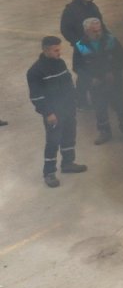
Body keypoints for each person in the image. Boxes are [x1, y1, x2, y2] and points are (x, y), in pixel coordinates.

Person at [28, 36, 85, 187]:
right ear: (46, 50)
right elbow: (36, 96)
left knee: (69, 136)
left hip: (68, 108)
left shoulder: (60, 63)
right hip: (53, 112)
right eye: (56, 50)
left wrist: (75, 100)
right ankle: (49, 173)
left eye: (60, 49)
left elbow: (68, 83)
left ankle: (68, 163)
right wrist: (48, 113)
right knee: (53, 141)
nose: (60, 53)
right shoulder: (35, 71)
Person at [73, 18, 123, 145]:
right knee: (100, 108)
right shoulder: (80, 46)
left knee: (120, 105)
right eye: (94, 31)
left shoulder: (111, 40)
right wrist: (90, 79)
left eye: (99, 30)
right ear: (87, 31)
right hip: (96, 84)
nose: (98, 33)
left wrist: (114, 72)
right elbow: (78, 67)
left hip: (114, 81)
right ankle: (104, 131)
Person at [60, 0, 105, 109]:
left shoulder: (93, 7)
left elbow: (101, 23)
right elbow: (65, 30)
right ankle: (81, 101)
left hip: (96, 45)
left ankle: (98, 99)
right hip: (82, 47)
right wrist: (79, 44)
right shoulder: (70, 10)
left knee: (98, 71)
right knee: (84, 76)